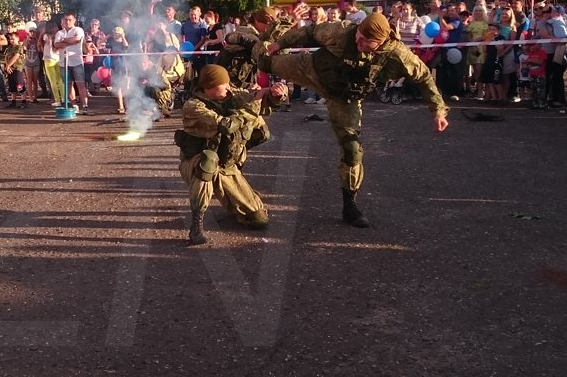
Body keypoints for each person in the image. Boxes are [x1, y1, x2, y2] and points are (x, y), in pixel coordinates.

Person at [254, 13, 449, 227]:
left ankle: (350, 205)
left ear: (381, 41)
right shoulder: (342, 32)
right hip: (311, 70)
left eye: (366, 41)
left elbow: (424, 78)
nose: (358, 42)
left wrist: (438, 111)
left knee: (352, 150)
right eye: (358, 36)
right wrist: (279, 43)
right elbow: (310, 32)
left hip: (344, 98)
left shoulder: (398, 55)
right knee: (265, 62)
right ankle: (254, 39)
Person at [175, 64, 288, 245]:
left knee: (258, 219)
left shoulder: (230, 96)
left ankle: (235, 195)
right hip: (195, 162)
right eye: (224, 84)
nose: (229, 87)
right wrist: (254, 105)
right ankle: (197, 223)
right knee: (208, 161)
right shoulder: (193, 107)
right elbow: (228, 125)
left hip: (226, 166)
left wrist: (274, 94)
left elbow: (256, 98)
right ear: (208, 86)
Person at [54, 11, 90, 114]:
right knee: (68, 85)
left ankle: (85, 105)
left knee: (81, 84)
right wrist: (69, 41)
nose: (67, 22)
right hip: (63, 62)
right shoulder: (59, 33)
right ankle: (74, 105)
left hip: (77, 62)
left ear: (74, 20)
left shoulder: (78, 30)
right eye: (66, 19)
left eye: (70, 20)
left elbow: (77, 40)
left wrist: (64, 40)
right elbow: (56, 45)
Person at [4, 31, 28, 109]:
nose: (11, 41)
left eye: (13, 39)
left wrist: (8, 65)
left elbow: (16, 56)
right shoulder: (9, 48)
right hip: (10, 69)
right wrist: (7, 66)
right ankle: (13, 102)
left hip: (17, 68)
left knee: (19, 85)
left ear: (17, 39)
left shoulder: (19, 47)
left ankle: (24, 101)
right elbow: (6, 57)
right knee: (12, 86)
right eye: (10, 39)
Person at [24, 26, 40, 103]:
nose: (32, 33)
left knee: (35, 80)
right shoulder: (26, 40)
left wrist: (37, 41)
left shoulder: (38, 41)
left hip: (36, 62)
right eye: (31, 32)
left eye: (34, 32)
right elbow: (24, 48)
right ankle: (30, 97)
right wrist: (27, 41)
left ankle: (35, 96)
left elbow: (40, 50)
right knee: (29, 80)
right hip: (28, 63)